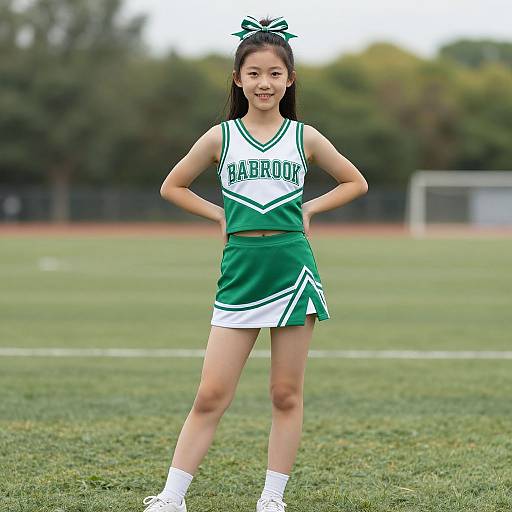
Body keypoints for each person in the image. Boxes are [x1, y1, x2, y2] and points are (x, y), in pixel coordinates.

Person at [144, 15, 368, 512]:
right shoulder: (220, 136)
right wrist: (218, 214)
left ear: (289, 81)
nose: (263, 83)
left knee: (285, 394)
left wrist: (310, 208)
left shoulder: (304, 137)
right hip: (240, 268)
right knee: (210, 394)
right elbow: (172, 185)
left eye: (274, 74)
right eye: (253, 73)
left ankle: (272, 499)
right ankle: (172, 497)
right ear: (238, 79)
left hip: (293, 269)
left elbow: (355, 181)